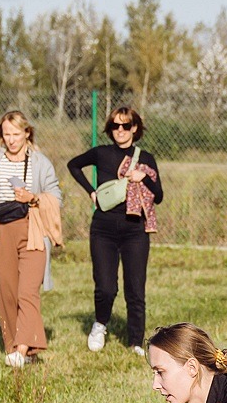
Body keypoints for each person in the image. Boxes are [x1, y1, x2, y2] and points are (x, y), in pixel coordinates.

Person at [0, 110, 63, 367]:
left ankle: (21, 349)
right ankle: (16, 348)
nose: (11, 139)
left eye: (16, 134)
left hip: (33, 229)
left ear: (27, 133)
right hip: (1, 230)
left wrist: (33, 197)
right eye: (6, 134)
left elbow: (56, 197)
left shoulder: (41, 162)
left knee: (28, 291)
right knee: (7, 291)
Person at [66, 106, 162, 355]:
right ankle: (100, 325)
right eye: (115, 125)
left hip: (135, 231)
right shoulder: (101, 153)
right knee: (106, 287)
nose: (120, 130)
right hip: (103, 229)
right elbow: (73, 165)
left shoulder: (146, 158)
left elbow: (159, 196)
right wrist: (91, 191)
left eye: (126, 125)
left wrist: (143, 177)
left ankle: (135, 341)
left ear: (135, 128)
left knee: (135, 289)